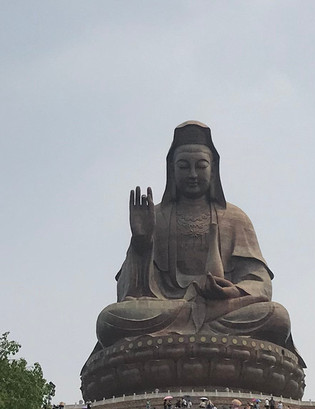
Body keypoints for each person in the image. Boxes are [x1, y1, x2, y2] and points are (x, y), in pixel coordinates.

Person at [91, 123, 303, 355]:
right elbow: (129, 292)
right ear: (172, 170)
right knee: (109, 321)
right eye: (184, 167)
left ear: (213, 169)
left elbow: (260, 283)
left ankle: (182, 338)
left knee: (277, 317)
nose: (192, 174)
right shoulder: (158, 216)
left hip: (221, 309)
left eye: (200, 166)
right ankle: (193, 332)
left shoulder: (234, 218)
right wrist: (141, 242)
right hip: (168, 308)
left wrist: (231, 292)